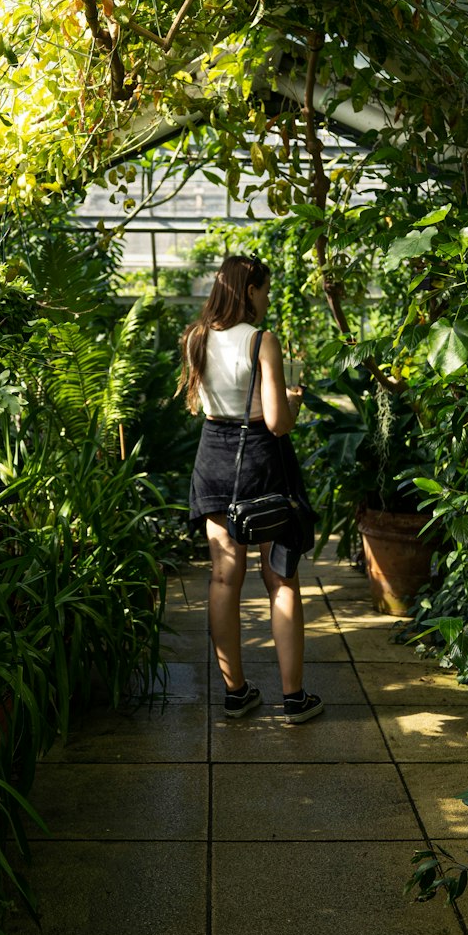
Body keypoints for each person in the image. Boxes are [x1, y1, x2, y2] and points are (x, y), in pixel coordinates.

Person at [179, 254, 323, 724]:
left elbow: (201, 406)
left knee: (224, 577)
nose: (266, 299)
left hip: (214, 460)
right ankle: (294, 698)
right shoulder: (262, 340)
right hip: (260, 460)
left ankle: (236, 692)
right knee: (279, 576)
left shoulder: (196, 337)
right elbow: (277, 422)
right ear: (249, 290)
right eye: (263, 290)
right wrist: (294, 404)